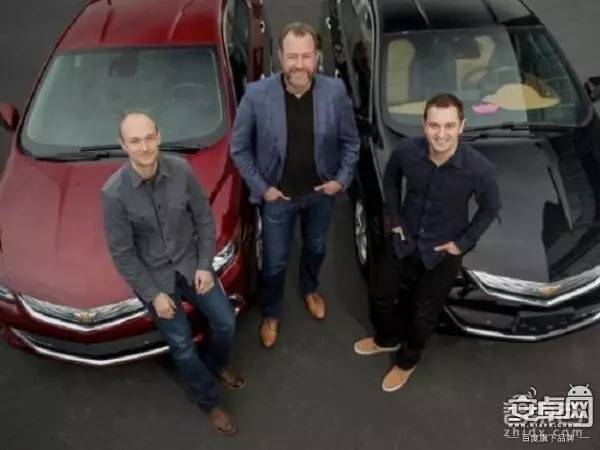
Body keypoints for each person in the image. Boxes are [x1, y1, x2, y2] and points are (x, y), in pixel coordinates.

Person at [101, 112, 244, 435]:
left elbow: (204, 220)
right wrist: (154, 295)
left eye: (149, 138)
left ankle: (217, 364)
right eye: (135, 141)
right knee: (181, 345)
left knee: (226, 321)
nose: (144, 147)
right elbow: (123, 255)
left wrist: (204, 265)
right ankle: (208, 400)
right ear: (123, 145)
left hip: (191, 263)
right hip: (155, 280)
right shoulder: (113, 194)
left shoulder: (181, 170)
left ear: (159, 137)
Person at [354, 94, 501, 392]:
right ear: (424, 125)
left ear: (461, 126)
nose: (441, 134)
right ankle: (386, 339)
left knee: (423, 313)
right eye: (434, 125)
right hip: (405, 239)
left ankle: (407, 361)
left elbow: (490, 209)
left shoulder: (480, 169)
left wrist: (462, 244)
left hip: (442, 252)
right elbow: (390, 180)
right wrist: (394, 219)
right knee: (380, 293)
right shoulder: (407, 152)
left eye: (449, 126)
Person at [230, 22, 360, 348]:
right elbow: (239, 149)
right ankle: (272, 312)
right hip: (278, 198)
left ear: (317, 57)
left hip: (320, 196)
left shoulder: (335, 92)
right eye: (292, 57)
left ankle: (309, 289)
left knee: (316, 248)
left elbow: (351, 142)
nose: (299, 65)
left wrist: (340, 181)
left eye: (306, 56)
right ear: (279, 57)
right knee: (274, 262)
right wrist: (264, 189)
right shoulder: (256, 95)